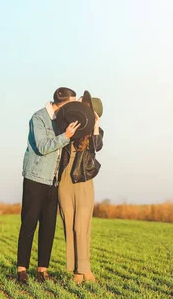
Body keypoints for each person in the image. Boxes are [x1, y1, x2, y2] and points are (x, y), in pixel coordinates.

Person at [17, 87, 81, 283]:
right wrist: (65, 136)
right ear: (62, 101)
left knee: (48, 227)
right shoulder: (38, 118)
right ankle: (21, 270)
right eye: (72, 102)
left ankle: (42, 271)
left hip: (53, 180)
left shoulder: (63, 120)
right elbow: (44, 147)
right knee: (29, 224)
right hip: (35, 178)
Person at [57, 90, 104, 284]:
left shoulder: (96, 133)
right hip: (65, 179)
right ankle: (77, 271)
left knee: (81, 226)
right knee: (69, 224)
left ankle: (85, 269)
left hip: (83, 180)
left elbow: (96, 148)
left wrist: (95, 126)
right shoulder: (70, 126)